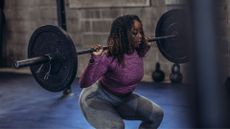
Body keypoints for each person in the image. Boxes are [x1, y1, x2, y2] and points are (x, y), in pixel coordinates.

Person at [79, 15, 164, 129]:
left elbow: (131, 63)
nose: (140, 36)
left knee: (156, 114)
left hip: (123, 99)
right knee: (116, 127)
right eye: (134, 33)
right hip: (97, 97)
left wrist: (145, 47)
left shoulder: (138, 50)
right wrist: (94, 59)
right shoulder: (109, 57)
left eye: (140, 32)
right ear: (123, 35)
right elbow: (83, 83)